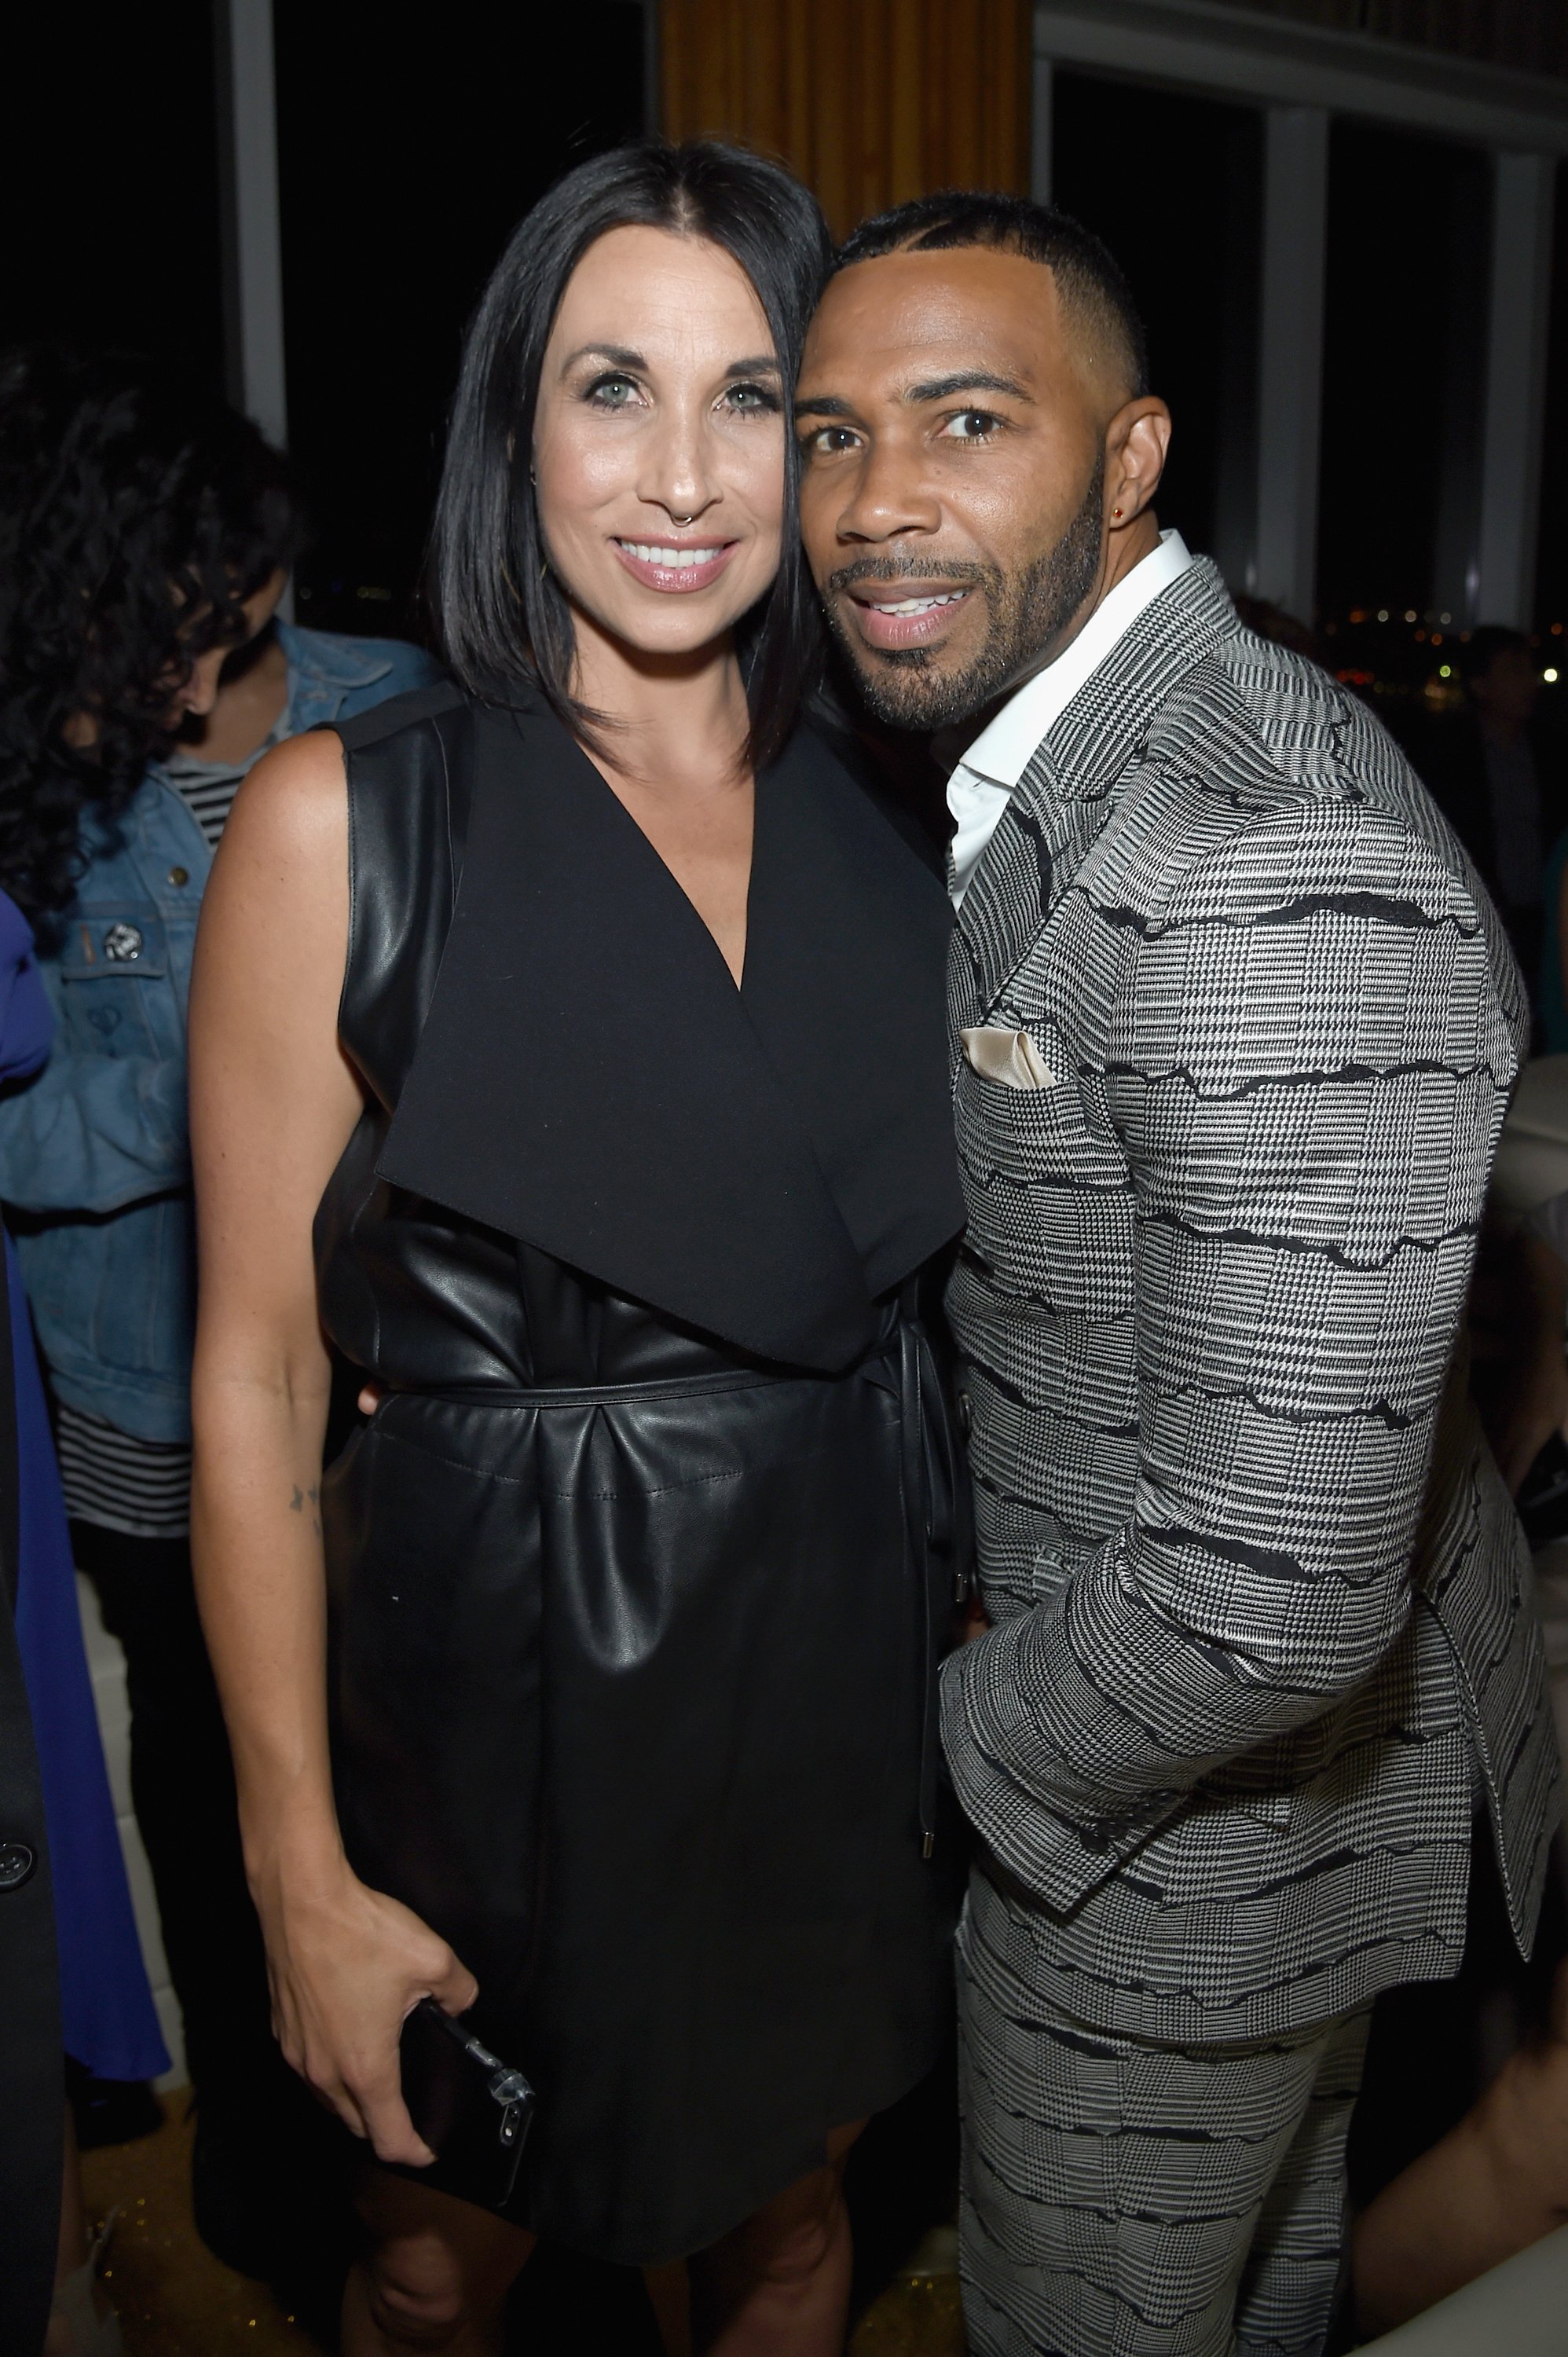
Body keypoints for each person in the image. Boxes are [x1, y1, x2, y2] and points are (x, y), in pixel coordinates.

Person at [188, 139, 964, 2357]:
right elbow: (247, 1380)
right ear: (513, 420)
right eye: (614, 387)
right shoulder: (349, 827)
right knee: (439, 2264)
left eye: (755, 398)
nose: (686, 475)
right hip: (492, 1692)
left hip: (823, 1677)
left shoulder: (904, 825)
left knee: (798, 2235)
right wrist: (294, 1874)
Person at [795, 191, 1560, 2357]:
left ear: (1126, 460)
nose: (874, 505)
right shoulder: (1088, 760)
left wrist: (937, 1759)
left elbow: (1267, 1591)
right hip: (1235, 1824)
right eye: (833, 435)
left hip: (1171, 1861)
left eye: (962, 421)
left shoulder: (1251, 854)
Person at [0, 349, 438, 2287]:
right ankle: (268, 2186)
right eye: (143, 633)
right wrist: (234, 1085)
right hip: (134, 1393)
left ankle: (436, 2165)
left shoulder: (397, 714)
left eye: (225, 626)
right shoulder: (36, 766)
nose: (187, 682)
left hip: (393, 1376)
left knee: (410, 1768)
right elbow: (18, 1118)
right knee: (211, 1778)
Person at [1420, 624, 1561, 999]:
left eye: (1529, 668)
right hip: (1482, 923)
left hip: (1545, 919)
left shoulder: (1550, 753)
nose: (1529, 682)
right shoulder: (1449, 760)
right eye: (1514, 669)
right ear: (1480, 685)